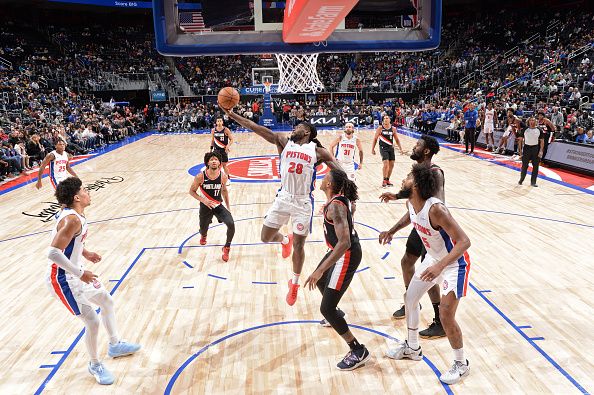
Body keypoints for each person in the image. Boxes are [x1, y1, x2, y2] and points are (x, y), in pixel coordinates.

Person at [223, 108, 338, 306]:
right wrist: (232, 115)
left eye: (299, 126)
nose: (295, 128)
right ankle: (284, 239)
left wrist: (346, 193)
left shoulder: (318, 152)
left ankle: (293, 284)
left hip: (303, 202)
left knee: (300, 245)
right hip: (283, 197)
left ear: (307, 132)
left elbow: (339, 172)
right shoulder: (283, 141)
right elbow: (254, 127)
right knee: (265, 237)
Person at [381, 163, 471, 385]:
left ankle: (461, 364)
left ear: (418, 185)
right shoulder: (412, 202)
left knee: (446, 315)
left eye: (408, 177)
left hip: (454, 264)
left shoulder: (436, 210)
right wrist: (391, 231)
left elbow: (464, 242)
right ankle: (412, 347)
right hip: (433, 259)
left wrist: (440, 267)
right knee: (410, 299)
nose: (404, 180)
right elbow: (410, 217)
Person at [46, 177, 141, 385]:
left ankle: (115, 344)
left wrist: (85, 253)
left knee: (106, 301)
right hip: (63, 279)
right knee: (92, 321)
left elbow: (70, 241)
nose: (88, 192)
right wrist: (80, 273)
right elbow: (53, 253)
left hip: (76, 271)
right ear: (77, 197)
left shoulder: (74, 215)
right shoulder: (72, 219)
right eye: (84, 190)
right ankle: (94, 364)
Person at [379, 136, 445, 338]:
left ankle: (440, 321)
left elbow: (428, 206)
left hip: (434, 229)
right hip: (419, 225)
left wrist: (400, 194)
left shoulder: (435, 173)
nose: (414, 147)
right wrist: (392, 230)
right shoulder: (415, 172)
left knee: (428, 274)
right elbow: (415, 210)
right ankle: (411, 299)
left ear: (426, 151)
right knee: (407, 262)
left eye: (418, 145)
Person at [304, 168, 369, 371]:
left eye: (325, 177)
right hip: (339, 249)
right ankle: (336, 313)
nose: (322, 179)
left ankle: (357, 349)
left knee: (326, 308)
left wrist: (320, 269)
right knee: (323, 284)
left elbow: (344, 242)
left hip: (346, 253)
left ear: (330, 184)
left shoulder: (336, 206)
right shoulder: (339, 201)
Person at [189, 151, 235, 261]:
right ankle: (203, 235)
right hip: (205, 207)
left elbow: (224, 191)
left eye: (216, 159)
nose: (214, 161)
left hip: (218, 205)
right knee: (203, 228)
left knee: (231, 224)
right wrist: (203, 200)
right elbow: (191, 191)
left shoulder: (223, 177)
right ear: (207, 162)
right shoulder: (200, 176)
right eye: (211, 159)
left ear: (219, 162)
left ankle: (227, 247)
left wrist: (228, 207)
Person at [372, 115, 405, 188]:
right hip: (383, 148)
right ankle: (384, 180)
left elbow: (397, 139)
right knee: (386, 163)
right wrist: (372, 149)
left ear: (390, 120)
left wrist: (400, 149)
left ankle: (387, 180)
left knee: (392, 164)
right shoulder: (380, 128)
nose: (385, 119)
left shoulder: (393, 128)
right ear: (383, 120)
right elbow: (375, 139)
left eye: (387, 118)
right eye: (384, 118)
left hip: (391, 148)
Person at [518, 117, 544, 187]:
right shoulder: (525, 129)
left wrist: (541, 150)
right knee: (524, 166)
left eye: (533, 120)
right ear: (528, 121)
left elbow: (542, 141)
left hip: (536, 148)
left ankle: (533, 182)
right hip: (526, 148)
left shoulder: (539, 130)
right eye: (530, 120)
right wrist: (520, 151)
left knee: (536, 166)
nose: (532, 122)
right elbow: (520, 140)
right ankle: (521, 179)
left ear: (536, 122)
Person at [210, 117, 234, 185]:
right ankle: (216, 178)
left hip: (223, 150)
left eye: (220, 121)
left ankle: (228, 179)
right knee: (216, 166)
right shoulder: (213, 130)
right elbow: (212, 140)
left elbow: (231, 139)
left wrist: (228, 146)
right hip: (216, 150)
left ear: (222, 122)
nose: (219, 122)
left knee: (224, 165)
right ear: (216, 122)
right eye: (218, 121)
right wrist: (211, 148)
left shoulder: (226, 130)